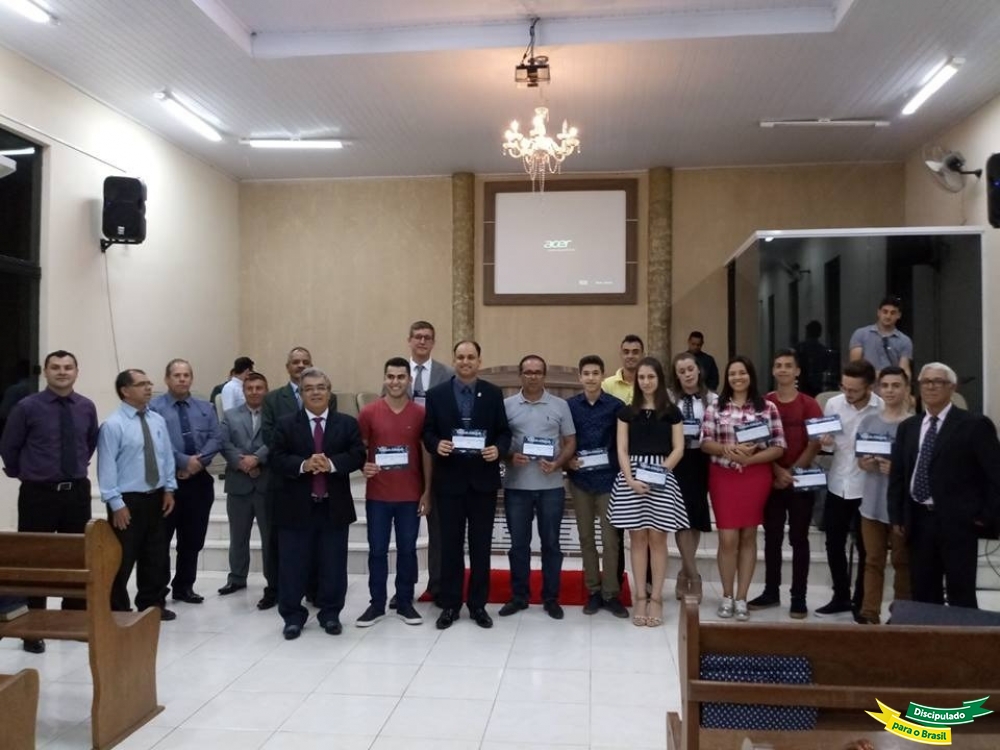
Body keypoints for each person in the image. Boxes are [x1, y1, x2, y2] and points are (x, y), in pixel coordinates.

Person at [0, 350, 99, 653]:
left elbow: (89, 442)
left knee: (77, 557)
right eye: (55, 367)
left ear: (76, 372)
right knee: (34, 559)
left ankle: (74, 621)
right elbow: (9, 447)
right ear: (45, 372)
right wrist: (27, 473)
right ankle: (32, 629)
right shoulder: (27, 407)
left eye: (68, 367)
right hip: (38, 493)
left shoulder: (86, 407)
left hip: (76, 492)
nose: (62, 372)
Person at [888, 363, 1000, 609]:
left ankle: (963, 635)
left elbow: (995, 475)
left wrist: (985, 516)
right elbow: (898, 475)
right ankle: (929, 634)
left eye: (938, 381)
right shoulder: (909, 427)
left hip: (959, 523)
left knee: (961, 593)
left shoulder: (974, 424)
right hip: (918, 520)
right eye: (926, 382)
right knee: (923, 593)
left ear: (952, 387)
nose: (931, 387)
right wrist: (897, 515)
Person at [270, 367, 365, 639]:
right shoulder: (286, 424)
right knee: (292, 566)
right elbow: (276, 458)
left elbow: (357, 455)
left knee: (333, 566)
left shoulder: (347, 423)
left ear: (329, 392)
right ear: (301, 394)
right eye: (309, 388)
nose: (315, 392)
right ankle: (292, 617)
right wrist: (304, 464)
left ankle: (331, 614)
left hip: (333, 508)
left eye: (320, 387)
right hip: (295, 508)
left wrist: (331, 464)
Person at [422, 340, 511, 630]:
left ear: (479, 361)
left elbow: (504, 432)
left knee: (481, 546)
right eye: (460, 357)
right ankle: (450, 604)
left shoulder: (493, 393)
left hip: (483, 482)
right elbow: (427, 432)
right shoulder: (436, 394)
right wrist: (437, 444)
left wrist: (498, 449)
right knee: (450, 546)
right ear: (454, 360)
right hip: (449, 482)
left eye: (471, 357)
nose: (465, 361)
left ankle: (477, 605)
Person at [700, 355, 786, 621]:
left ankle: (741, 598)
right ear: (727, 378)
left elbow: (778, 446)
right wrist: (727, 449)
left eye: (742, 373)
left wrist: (750, 459)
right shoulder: (716, 407)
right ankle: (726, 595)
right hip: (723, 477)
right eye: (733, 373)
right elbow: (705, 442)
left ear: (751, 376)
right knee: (727, 539)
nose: (738, 377)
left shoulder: (767, 407)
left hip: (755, 476)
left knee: (748, 536)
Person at [609, 356, 687, 628]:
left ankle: (657, 599)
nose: (646, 381)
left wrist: (659, 473)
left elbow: (679, 448)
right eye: (641, 377)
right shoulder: (626, 413)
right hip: (632, 476)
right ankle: (640, 596)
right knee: (638, 538)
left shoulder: (672, 412)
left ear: (659, 379)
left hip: (662, 475)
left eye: (651, 377)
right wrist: (630, 479)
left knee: (658, 538)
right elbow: (621, 448)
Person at [500, 355, 577, 620]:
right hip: (516, 486)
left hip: (551, 487)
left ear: (544, 375)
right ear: (520, 375)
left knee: (552, 544)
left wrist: (557, 464)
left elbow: (570, 441)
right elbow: (498, 441)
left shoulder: (560, 406)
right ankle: (519, 596)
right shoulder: (506, 406)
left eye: (537, 372)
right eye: (527, 372)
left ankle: (551, 598)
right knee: (518, 545)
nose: (532, 376)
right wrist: (510, 457)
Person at [96, 369, 177, 621]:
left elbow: (166, 456)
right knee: (122, 557)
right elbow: (106, 466)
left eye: (149, 383)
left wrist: (169, 488)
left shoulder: (157, 420)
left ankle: (152, 604)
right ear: (125, 391)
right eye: (141, 384)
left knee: (155, 555)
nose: (148, 388)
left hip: (156, 496)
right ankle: (118, 608)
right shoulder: (113, 425)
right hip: (127, 501)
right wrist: (115, 503)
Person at [747, 350, 822, 618]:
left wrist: (792, 471)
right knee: (772, 538)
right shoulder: (764, 403)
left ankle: (798, 597)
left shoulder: (809, 404)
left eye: (788, 365)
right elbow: (757, 441)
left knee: (799, 538)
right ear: (773, 370)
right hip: (772, 479)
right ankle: (771, 592)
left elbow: (815, 442)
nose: (783, 370)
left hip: (801, 479)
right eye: (778, 365)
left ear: (797, 371)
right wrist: (777, 471)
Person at [357, 357, 431, 627]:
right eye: (391, 376)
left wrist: (427, 491)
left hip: (409, 495)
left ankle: (404, 602)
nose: (395, 382)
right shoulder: (369, 412)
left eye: (401, 377)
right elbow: (359, 447)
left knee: (407, 551)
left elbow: (426, 455)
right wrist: (362, 465)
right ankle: (376, 604)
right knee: (377, 551)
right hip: (378, 496)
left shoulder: (420, 414)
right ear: (384, 378)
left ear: (409, 380)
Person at [149, 359, 222, 605]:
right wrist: (182, 462)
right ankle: (158, 590)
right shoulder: (154, 408)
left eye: (186, 375)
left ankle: (184, 586)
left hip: (198, 481)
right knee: (161, 540)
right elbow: (156, 442)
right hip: (166, 484)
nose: (182, 379)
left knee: (192, 539)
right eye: (177, 375)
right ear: (167, 379)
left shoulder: (205, 407)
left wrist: (196, 463)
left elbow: (216, 438)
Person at [816, 360, 883, 616]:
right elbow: (829, 444)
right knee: (833, 542)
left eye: (854, 390)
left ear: (869, 387)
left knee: (867, 547)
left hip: (868, 487)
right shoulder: (834, 404)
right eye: (844, 387)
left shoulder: (881, 408)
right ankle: (840, 595)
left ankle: (862, 599)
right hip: (838, 483)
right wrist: (825, 441)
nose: (847, 393)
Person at [566, 355, 628, 617]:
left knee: (610, 539)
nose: (591, 378)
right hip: (580, 480)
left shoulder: (616, 406)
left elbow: (622, 442)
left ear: (602, 376)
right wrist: (568, 460)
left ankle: (611, 593)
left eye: (595, 373)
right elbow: (564, 439)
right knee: (586, 537)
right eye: (586, 373)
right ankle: (593, 590)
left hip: (608, 480)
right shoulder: (569, 406)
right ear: (580, 377)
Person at [855, 366, 912, 624]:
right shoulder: (868, 421)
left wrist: (898, 471)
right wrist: (865, 464)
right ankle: (869, 612)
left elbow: (921, 467)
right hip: (871, 504)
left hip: (900, 507)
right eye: (885, 385)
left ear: (906, 389)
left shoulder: (913, 424)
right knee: (872, 560)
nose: (890, 390)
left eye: (896, 385)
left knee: (902, 562)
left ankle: (901, 614)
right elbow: (860, 459)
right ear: (878, 388)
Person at [258, 346, 313, 610]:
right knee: (277, 538)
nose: (300, 366)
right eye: (296, 362)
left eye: (305, 362)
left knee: (314, 537)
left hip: (315, 479)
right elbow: (270, 437)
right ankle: (275, 588)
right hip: (283, 479)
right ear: (288, 367)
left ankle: (313, 587)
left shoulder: (325, 395)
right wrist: (301, 460)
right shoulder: (272, 399)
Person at [404, 320, 453, 606]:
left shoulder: (447, 374)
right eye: (417, 337)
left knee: (438, 528)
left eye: (427, 337)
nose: (422, 341)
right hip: (404, 458)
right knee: (405, 530)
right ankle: (404, 588)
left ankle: (437, 585)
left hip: (437, 455)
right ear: (409, 340)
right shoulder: (397, 372)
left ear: (433, 342)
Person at [667, 351, 717, 604]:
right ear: (676, 375)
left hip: (701, 459)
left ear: (698, 370)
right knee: (682, 518)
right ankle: (693, 575)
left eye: (690, 369)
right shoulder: (669, 399)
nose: (687, 374)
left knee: (695, 518)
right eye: (681, 371)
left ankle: (684, 573)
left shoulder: (713, 399)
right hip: (677, 460)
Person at [218, 372, 272, 598]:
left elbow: (276, 440)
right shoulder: (230, 415)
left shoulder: (274, 415)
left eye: (259, 388)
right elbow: (224, 442)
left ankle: (273, 580)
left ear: (266, 390)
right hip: (238, 484)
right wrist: (242, 463)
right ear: (243, 391)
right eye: (250, 388)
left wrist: (257, 458)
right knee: (238, 536)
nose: (254, 392)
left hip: (266, 485)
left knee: (270, 537)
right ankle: (237, 578)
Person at [849, 295, 913, 380]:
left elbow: (904, 369)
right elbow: (855, 366)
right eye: (885, 312)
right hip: (867, 383)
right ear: (878, 313)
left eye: (893, 313)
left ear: (899, 315)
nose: (888, 316)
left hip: (891, 384)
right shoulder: (860, 334)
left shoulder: (905, 340)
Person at [795, 320, 834, 397]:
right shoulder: (823, 350)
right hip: (817, 384)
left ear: (807, 332)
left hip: (802, 383)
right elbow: (826, 366)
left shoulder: (800, 347)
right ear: (819, 333)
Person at [602, 334, 644, 404]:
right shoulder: (607, 385)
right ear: (621, 355)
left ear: (643, 355)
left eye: (635, 352)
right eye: (626, 352)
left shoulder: (648, 384)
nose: (630, 356)